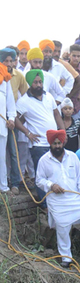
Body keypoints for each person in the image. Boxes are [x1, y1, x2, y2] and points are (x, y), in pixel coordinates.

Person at [35, 129, 80, 267]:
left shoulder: (72, 156)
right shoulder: (44, 160)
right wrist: (51, 185)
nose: (57, 146)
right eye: (55, 143)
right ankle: (66, 257)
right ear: (50, 144)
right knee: (63, 225)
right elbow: (39, 180)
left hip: (75, 197)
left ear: (64, 142)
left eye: (59, 143)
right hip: (57, 201)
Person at [15, 71, 64, 178]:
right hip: (38, 144)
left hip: (53, 142)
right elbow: (15, 119)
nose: (38, 85)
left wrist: (62, 132)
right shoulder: (23, 101)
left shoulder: (49, 96)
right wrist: (28, 133)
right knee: (42, 175)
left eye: (40, 82)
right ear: (30, 83)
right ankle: (42, 195)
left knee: (55, 173)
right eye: (35, 82)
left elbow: (56, 114)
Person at [1, 48, 28, 192]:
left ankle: (10, 185)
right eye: (5, 61)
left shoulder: (12, 78)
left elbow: (18, 100)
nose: (8, 63)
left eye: (11, 60)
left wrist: (14, 118)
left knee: (9, 153)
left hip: (8, 122)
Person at [0, 61, 16, 193]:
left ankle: (3, 187)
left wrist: (11, 118)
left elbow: (10, 101)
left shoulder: (5, 76)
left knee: (1, 157)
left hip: (1, 125)